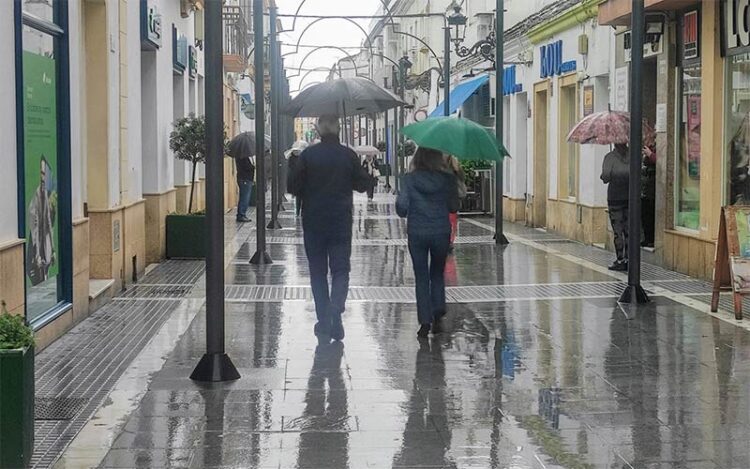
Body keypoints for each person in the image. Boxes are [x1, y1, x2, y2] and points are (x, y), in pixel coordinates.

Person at [287, 115, 373, 342]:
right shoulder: (348, 155)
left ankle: (324, 319)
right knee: (341, 269)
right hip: (340, 220)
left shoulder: (308, 155)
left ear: (318, 129)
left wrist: (295, 166)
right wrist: (365, 173)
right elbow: (363, 185)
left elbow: (293, 187)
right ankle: (336, 309)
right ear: (338, 127)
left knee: (317, 272)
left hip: (314, 221)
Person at [396, 147, 459, 338]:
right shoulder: (447, 179)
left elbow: (402, 208)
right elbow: (453, 206)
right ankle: (438, 310)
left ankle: (424, 321)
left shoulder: (409, 179)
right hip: (440, 231)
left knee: (421, 276)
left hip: (418, 233)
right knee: (437, 273)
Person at [601, 143, 630, 271]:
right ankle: (630, 259)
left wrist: (605, 175)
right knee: (629, 231)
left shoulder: (610, 157)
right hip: (630, 197)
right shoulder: (633, 155)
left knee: (618, 230)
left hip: (615, 198)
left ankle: (620, 259)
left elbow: (606, 177)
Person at [27, 156, 56, 285]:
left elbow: (49, 223)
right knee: (38, 276)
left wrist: (53, 249)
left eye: (45, 174)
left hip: (45, 242)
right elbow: (35, 230)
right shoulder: (37, 196)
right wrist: (37, 254)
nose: (43, 177)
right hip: (36, 243)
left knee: (45, 271)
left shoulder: (45, 194)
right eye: (42, 173)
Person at [445, 155, 466, 252]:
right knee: (450, 220)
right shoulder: (456, 169)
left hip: (449, 198)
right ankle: (448, 241)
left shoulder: (453, 165)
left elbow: (462, 179)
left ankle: (448, 241)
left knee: (450, 220)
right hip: (448, 199)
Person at [285, 141, 309, 216]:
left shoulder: (293, 158)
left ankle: (300, 211)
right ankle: (300, 211)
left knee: (300, 197)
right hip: (300, 180)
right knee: (301, 197)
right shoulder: (302, 157)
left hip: (299, 180)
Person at [641, 145, 656, 248]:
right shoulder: (651, 146)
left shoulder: (660, 147)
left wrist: (650, 154)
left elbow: (662, 161)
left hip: (653, 186)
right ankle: (647, 238)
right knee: (645, 213)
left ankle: (651, 239)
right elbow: (646, 162)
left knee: (650, 213)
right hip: (647, 185)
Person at [234, 152, 255, 223]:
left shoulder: (241, 156)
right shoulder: (242, 157)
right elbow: (247, 167)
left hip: (245, 178)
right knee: (245, 197)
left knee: (244, 196)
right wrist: (253, 166)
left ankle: (242, 214)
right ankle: (241, 215)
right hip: (245, 179)